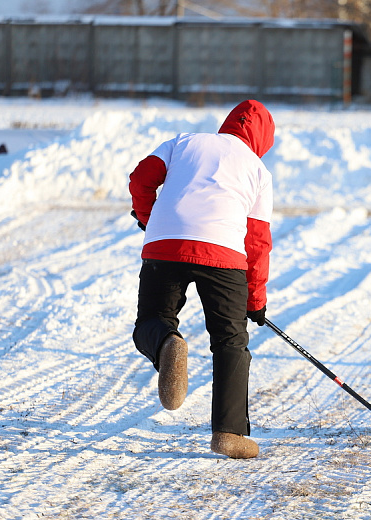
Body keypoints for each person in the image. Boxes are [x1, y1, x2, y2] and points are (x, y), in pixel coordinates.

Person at [128, 99, 275, 459]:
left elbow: (141, 178)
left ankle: (166, 343)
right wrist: (254, 301)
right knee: (230, 342)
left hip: (166, 242)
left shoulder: (184, 142)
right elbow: (256, 242)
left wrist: (149, 220)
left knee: (151, 320)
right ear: (262, 140)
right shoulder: (257, 170)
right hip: (224, 253)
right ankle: (229, 434)